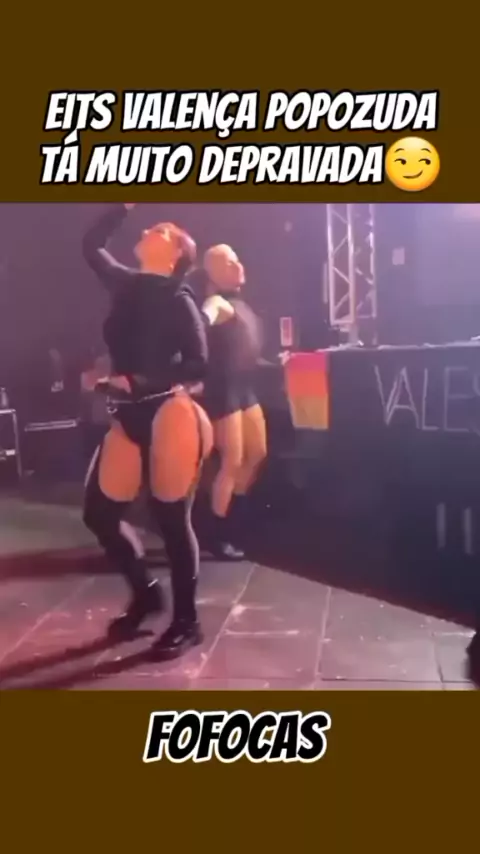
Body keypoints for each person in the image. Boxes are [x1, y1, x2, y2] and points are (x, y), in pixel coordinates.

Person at [82, 203, 215, 660]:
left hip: (168, 413)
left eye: (162, 230)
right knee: (99, 514)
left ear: (177, 252)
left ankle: (187, 622)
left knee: (172, 519)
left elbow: (198, 364)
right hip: (129, 414)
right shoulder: (125, 283)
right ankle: (147, 595)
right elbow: (91, 246)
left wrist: (137, 381)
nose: (149, 230)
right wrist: (119, 207)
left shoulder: (178, 297)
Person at [199, 244, 267, 559]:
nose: (238, 266)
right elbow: (202, 319)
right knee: (232, 461)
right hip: (223, 390)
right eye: (229, 262)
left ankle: (233, 519)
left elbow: (244, 348)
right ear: (212, 273)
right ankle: (218, 534)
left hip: (244, 387)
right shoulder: (217, 303)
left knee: (257, 454)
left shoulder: (242, 306)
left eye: (237, 260)